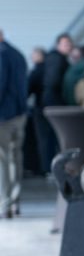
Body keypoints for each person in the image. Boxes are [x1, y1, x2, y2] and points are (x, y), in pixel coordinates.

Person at [0, 30, 28, 218]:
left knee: (2, 160)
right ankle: (15, 202)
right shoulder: (18, 54)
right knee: (15, 157)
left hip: (3, 116)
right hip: (20, 114)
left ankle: (4, 204)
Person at [37, 33, 73, 173]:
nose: (68, 46)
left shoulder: (55, 58)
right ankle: (52, 169)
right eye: (65, 44)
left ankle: (50, 169)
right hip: (53, 104)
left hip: (49, 103)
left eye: (69, 44)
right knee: (53, 138)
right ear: (58, 45)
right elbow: (53, 82)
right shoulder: (57, 59)